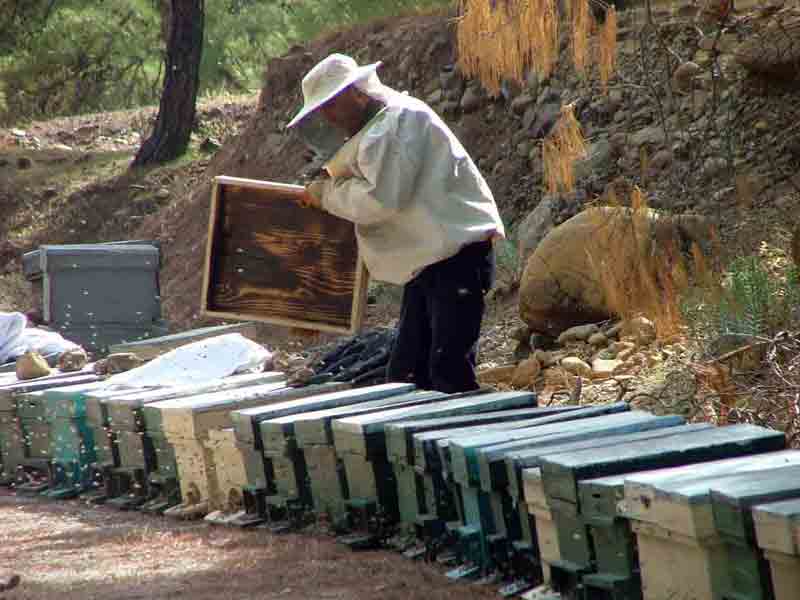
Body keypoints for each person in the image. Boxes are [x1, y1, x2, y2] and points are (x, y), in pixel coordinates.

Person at [287, 53, 505, 393]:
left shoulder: (399, 123)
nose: (327, 117)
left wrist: (327, 195)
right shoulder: (383, 127)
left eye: (330, 105)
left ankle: (480, 437)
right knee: (406, 377)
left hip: (458, 257)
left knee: (448, 374)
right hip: (430, 261)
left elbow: (380, 200)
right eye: (322, 109)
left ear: (356, 93)